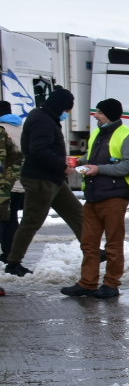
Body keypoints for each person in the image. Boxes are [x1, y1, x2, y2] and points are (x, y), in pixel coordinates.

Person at [61, 99, 129, 298]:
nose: (95, 115)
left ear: (109, 115)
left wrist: (99, 169)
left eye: (99, 112)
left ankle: (111, 285)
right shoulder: (98, 133)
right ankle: (87, 283)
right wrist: (77, 162)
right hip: (94, 196)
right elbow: (91, 158)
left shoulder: (125, 135)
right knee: (88, 243)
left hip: (114, 196)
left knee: (113, 244)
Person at [4, 86, 83, 277]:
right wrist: (61, 165)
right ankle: (13, 262)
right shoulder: (42, 120)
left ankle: (95, 252)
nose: (66, 114)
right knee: (32, 221)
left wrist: (59, 163)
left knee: (78, 215)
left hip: (53, 178)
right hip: (40, 179)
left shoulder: (46, 117)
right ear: (59, 106)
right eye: (66, 110)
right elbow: (39, 149)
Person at [0, 103, 21, 296]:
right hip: (14, 188)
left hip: (4, 189)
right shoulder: (19, 127)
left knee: (6, 224)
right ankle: (10, 256)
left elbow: (12, 159)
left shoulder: (2, 132)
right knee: (11, 222)